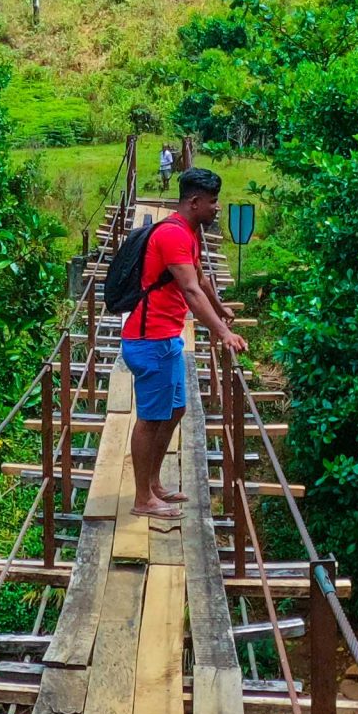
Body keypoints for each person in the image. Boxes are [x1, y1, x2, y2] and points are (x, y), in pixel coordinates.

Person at [120, 166, 247, 519]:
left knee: (175, 410)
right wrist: (223, 334)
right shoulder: (173, 235)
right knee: (150, 418)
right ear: (194, 202)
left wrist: (220, 311)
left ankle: (154, 484)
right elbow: (190, 290)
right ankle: (142, 498)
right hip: (150, 340)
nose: (217, 208)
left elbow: (200, 279)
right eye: (212, 202)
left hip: (167, 338)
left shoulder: (187, 233)